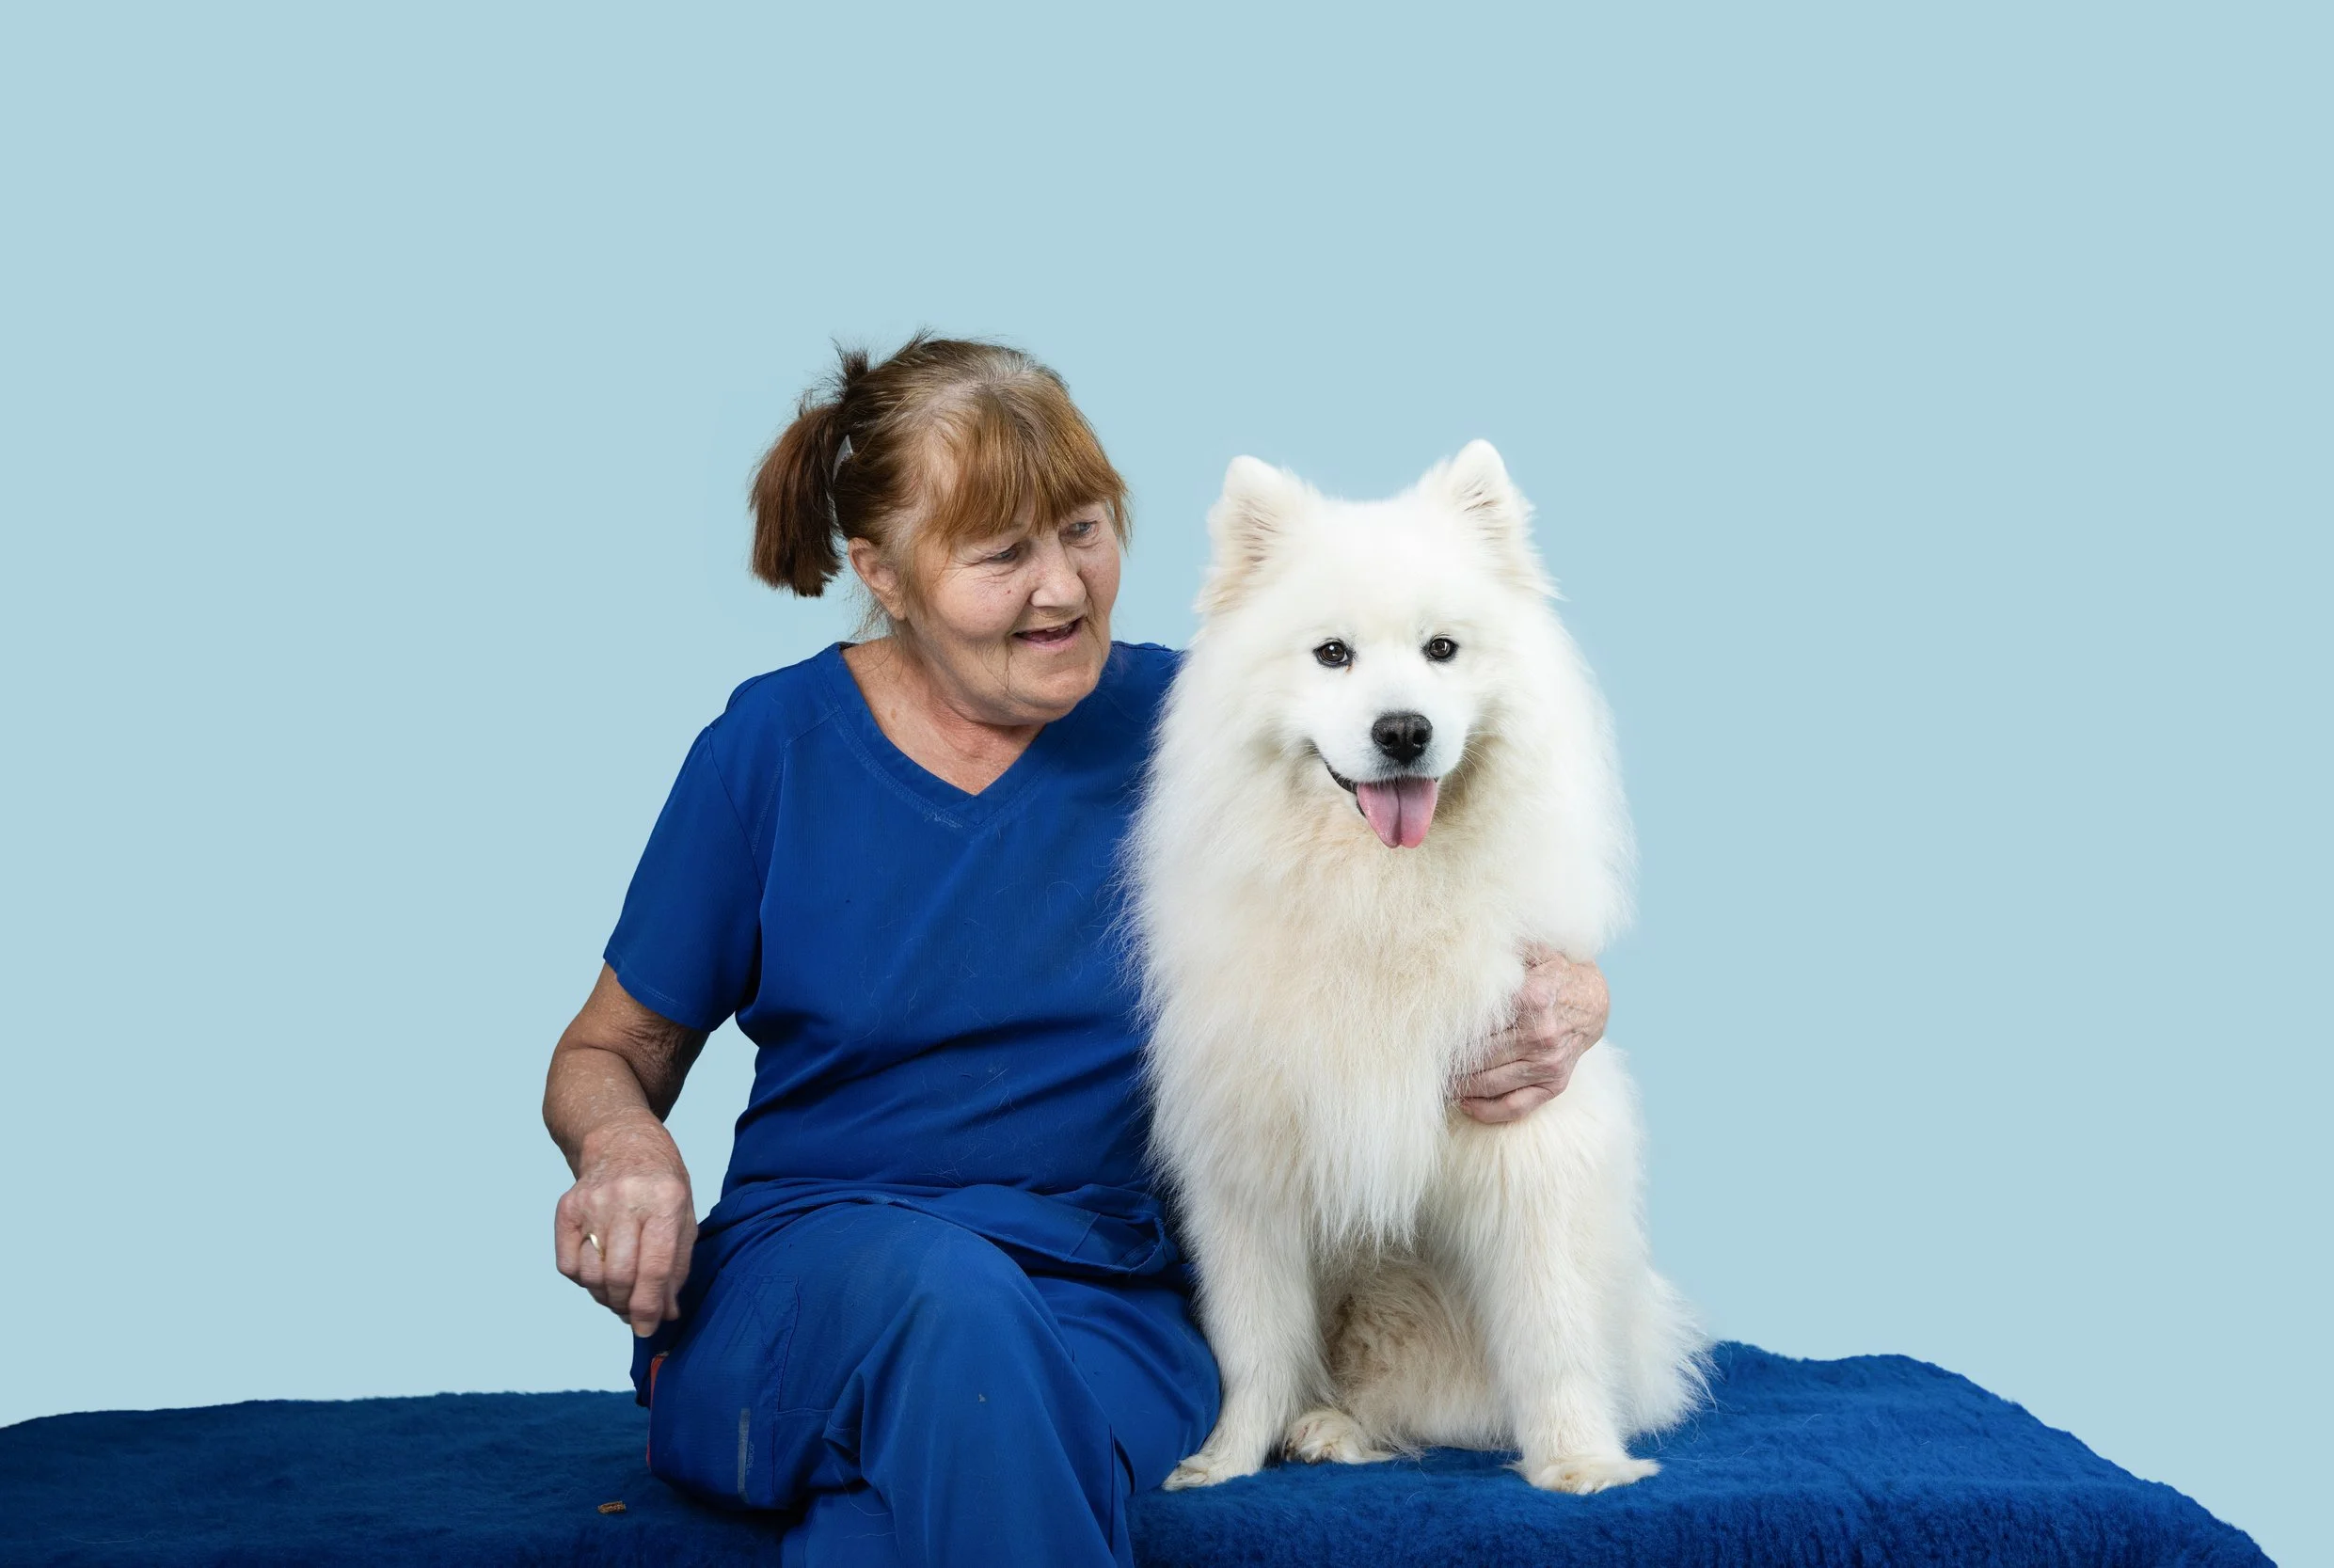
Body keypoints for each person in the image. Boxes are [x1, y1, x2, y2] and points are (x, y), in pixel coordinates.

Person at [540, 334, 1615, 1568]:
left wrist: (1569, 983)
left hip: (1110, 1305)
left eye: (1086, 529)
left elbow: (1463, 874)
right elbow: (608, 1047)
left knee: (910, 1503)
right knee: (951, 1312)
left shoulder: (1218, 724)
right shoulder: (768, 749)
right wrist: (624, 1143)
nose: (1064, 588)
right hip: (813, 1278)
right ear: (881, 572)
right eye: (1002, 555)